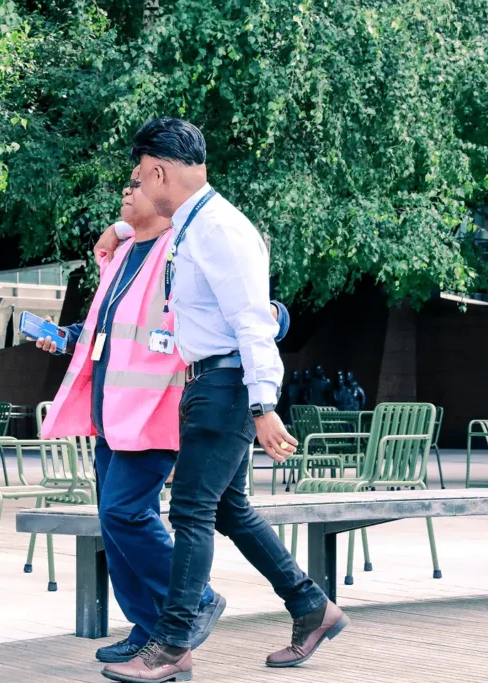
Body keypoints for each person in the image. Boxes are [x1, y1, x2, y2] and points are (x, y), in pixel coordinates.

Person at [95, 118, 347, 682]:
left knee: (190, 510)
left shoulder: (220, 230)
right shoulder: (193, 223)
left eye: (141, 176)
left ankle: (171, 646)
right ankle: (312, 607)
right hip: (208, 382)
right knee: (230, 510)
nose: (139, 186)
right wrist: (118, 227)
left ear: (159, 172)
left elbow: (253, 322)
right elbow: (146, 226)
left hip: (226, 385)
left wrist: (263, 406)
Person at [37, 174, 290, 664]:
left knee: (126, 513)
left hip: (156, 410)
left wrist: (274, 320)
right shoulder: (123, 255)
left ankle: (193, 604)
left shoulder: (182, 247)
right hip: (111, 412)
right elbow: (112, 328)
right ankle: (149, 627)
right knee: (115, 523)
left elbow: (249, 308)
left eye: (136, 185)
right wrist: (67, 337)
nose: (127, 192)